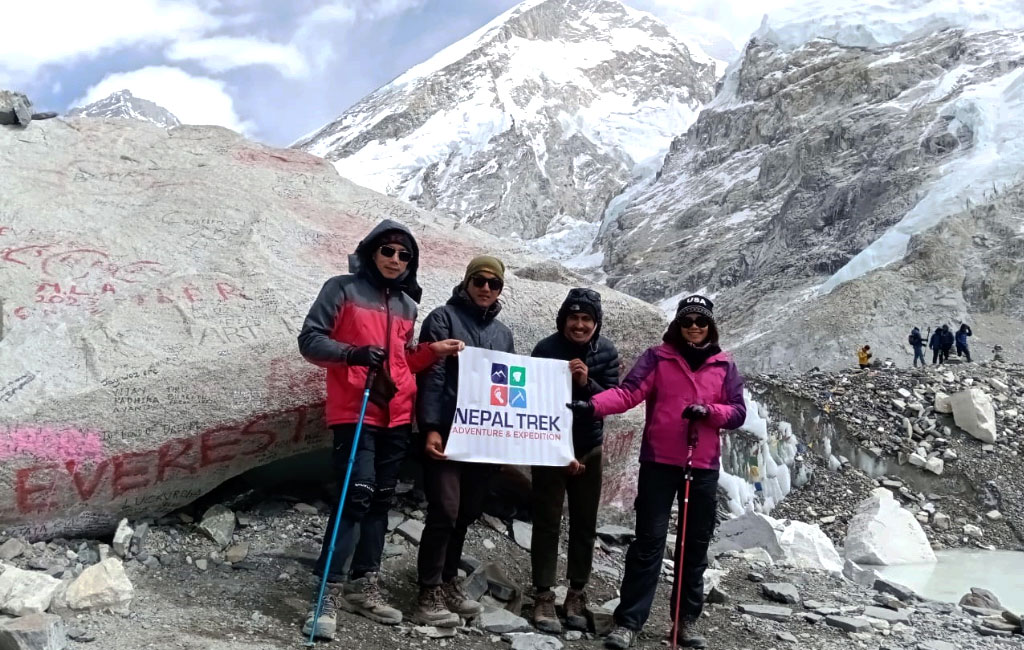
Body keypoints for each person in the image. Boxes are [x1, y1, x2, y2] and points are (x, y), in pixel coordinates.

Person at [297, 220, 463, 638]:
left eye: (404, 255)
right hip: (356, 410)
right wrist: (352, 353)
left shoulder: (407, 305)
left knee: (381, 499)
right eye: (387, 251)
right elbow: (310, 340)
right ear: (371, 252)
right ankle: (328, 591)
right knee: (356, 495)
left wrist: (431, 352)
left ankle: (364, 583)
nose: (395, 259)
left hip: (398, 414)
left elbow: (402, 360)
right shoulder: (342, 289)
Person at [570, 295, 745, 650]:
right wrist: (592, 406)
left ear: (710, 326)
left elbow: (738, 412)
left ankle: (685, 622)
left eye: (700, 321)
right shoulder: (658, 357)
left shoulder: (724, 365)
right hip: (659, 463)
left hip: (702, 466)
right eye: (687, 321)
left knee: (694, 546)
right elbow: (628, 393)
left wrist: (710, 412)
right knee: (648, 542)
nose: (693, 327)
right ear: (677, 325)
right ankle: (628, 622)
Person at [414, 255, 516, 627]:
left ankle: (447, 580)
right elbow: (433, 375)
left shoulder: (503, 334)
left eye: (494, 283)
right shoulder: (442, 318)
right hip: (447, 431)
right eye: (480, 280)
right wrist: (430, 426)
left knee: (467, 512)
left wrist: (505, 439)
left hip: (484, 437)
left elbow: (507, 388)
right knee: (445, 508)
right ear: (467, 282)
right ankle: (427, 591)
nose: (486, 288)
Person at [530, 288, 621, 634]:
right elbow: (534, 399)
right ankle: (543, 594)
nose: (579, 325)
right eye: (574, 317)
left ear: (596, 323)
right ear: (563, 319)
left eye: (586, 319)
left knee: (585, 523)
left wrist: (585, 383)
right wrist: (560, 451)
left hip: (589, 448)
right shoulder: (545, 349)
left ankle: (576, 594)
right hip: (550, 447)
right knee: (547, 520)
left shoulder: (606, 351)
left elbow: (613, 399)